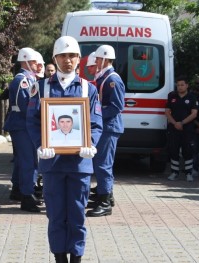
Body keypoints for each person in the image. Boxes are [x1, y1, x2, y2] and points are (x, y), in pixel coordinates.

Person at [26, 36, 103, 263]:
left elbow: (96, 123)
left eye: (72, 56)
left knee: (77, 214)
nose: (67, 60)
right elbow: (32, 121)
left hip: (80, 163)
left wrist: (91, 145)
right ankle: (59, 256)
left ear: (79, 59)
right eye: (62, 55)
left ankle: (77, 257)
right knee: (56, 214)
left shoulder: (89, 88)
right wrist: (40, 145)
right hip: (53, 163)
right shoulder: (41, 87)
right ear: (55, 58)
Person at [85, 45, 125, 217]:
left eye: (98, 59)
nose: (96, 62)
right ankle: (106, 195)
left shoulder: (112, 79)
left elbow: (117, 106)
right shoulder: (105, 77)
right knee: (102, 164)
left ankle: (105, 202)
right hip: (106, 126)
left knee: (103, 165)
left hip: (109, 127)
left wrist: (96, 117)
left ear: (105, 60)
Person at [3, 47, 41, 212]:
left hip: (23, 125)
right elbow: (26, 105)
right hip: (22, 125)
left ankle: (22, 190)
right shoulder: (23, 80)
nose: (36, 64)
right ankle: (27, 195)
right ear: (25, 61)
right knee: (28, 161)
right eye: (33, 61)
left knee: (24, 160)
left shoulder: (28, 78)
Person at [166, 76, 198, 182]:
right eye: (178, 85)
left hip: (187, 128)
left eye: (182, 85)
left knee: (188, 150)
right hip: (174, 128)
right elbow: (167, 112)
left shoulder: (192, 97)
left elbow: (194, 114)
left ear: (187, 85)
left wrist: (182, 123)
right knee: (173, 149)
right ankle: (174, 172)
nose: (180, 87)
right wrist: (175, 123)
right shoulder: (172, 97)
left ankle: (189, 173)